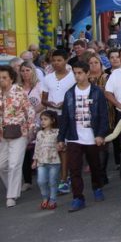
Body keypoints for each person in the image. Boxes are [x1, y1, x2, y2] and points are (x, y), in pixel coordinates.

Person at [58, 61, 109, 212]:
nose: (77, 76)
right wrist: (61, 138)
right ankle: (78, 198)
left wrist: (100, 134)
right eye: (75, 73)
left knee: (95, 166)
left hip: (92, 137)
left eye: (80, 73)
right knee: (74, 169)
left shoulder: (97, 92)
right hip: (74, 137)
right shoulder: (69, 93)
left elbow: (103, 115)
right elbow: (65, 118)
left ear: (87, 73)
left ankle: (97, 187)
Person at [41, 49, 76, 195]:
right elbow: (43, 99)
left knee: (64, 147)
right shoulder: (48, 78)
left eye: (59, 60)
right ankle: (57, 178)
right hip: (52, 117)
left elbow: (77, 95)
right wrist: (50, 104)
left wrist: (65, 104)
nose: (56, 63)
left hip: (68, 117)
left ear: (66, 60)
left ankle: (64, 178)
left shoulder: (73, 76)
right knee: (54, 148)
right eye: (54, 60)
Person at [0, 65, 35, 208]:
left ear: (11, 78)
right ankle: (14, 186)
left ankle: (11, 195)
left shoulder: (19, 91)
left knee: (14, 164)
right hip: (2, 134)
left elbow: (30, 110)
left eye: (4, 77)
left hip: (20, 132)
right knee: (2, 165)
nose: (1, 80)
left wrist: (31, 129)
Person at [18, 61, 44, 192]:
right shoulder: (17, 87)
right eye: (22, 71)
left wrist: (31, 113)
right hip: (22, 124)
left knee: (40, 150)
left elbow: (44, 102)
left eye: (27, 70)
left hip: (39, 122)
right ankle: (27, 181)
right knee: (25, 152)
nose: (25, 73)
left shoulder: (39, 85)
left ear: (33, 71)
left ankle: (43, 178)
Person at [32, 110, 60, 210]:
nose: (43, 121)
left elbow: (62, 145)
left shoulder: (57, 132)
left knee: (53, 181)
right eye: (41, 119)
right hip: (41, 161)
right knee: (41, 181)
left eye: (45, 119)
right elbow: (37, 147)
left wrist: (61, 146)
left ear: (52, 120)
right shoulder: (39, 133)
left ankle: (52, 200)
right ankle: (45, 197)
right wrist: (35, 160)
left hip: (54, 161)